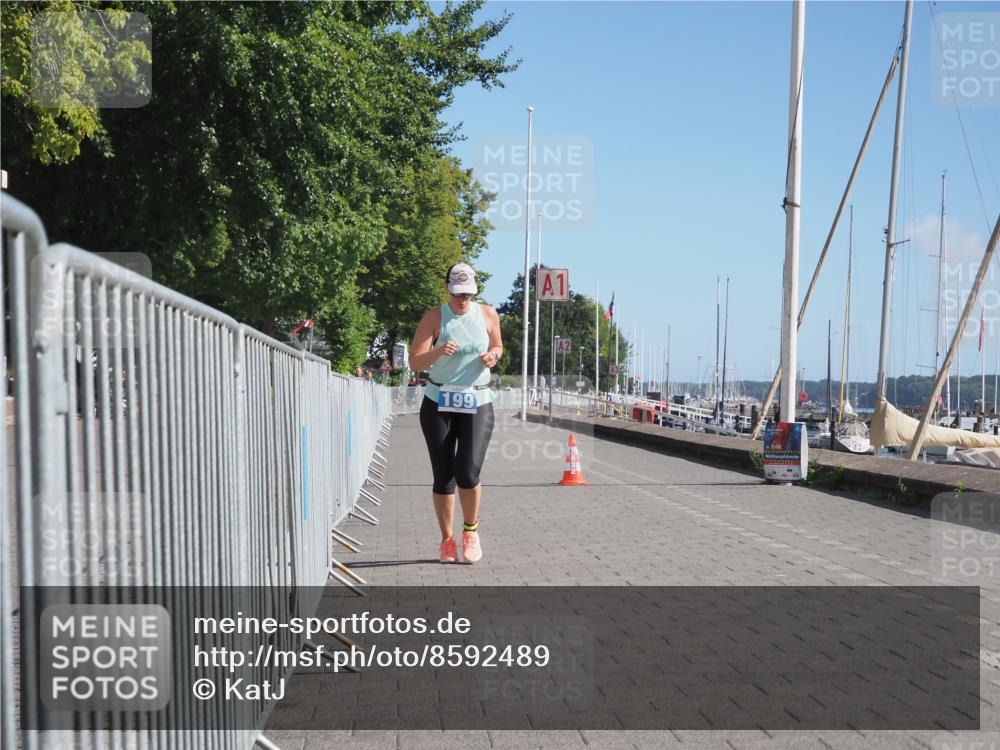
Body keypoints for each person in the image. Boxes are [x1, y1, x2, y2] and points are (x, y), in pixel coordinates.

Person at [409, 263, 502, 564]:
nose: (462, 299)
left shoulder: (487, 314)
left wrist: (494, 356)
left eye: (467, 294)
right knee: (443, 475)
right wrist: (438, 350)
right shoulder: (434, 317)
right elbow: (415, 363)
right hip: (439, 400)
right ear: (447, 289)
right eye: (457, 293)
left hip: (477, 400)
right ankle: (447, 540)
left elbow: (498, 344)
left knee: (468, 471)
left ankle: (470, 531)